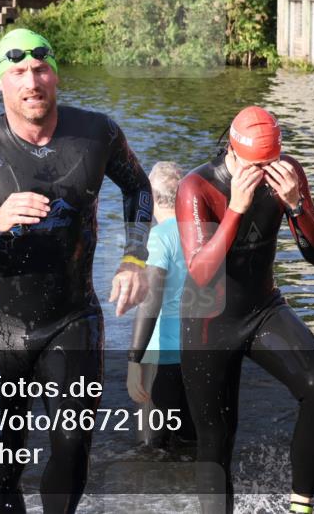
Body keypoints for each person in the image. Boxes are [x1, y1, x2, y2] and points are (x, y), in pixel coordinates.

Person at [0, 28, 153, 513]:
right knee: (2, 463)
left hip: (74, 318)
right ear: (1, 82)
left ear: (55, 74)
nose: (32, 82)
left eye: (40, 69)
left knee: (73, 447)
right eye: (18, 72)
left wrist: (135, 257)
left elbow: (138, 187)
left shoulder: (97, 133)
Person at [175, 106, 314, 514]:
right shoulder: (197, 187)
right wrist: (236, 208)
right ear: (232, 152)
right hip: (207, 321)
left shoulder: (287, 174)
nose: (264, 174)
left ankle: (300, 507)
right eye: (254, 166)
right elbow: (201, 272)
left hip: (263, 309)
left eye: (270, 164)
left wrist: (296, 204)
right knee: (216, 439)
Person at [127, 161, 196, 449]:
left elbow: (150, 302)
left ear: (152, 198)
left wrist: (134, 361)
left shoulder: (157, 238)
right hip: (199, 353)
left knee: (150, 447)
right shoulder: (203, 233)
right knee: (192, 441)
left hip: (160, 356)